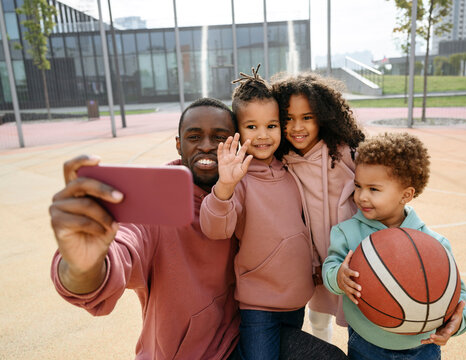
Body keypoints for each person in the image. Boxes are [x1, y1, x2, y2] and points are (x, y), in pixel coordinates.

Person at [49, 97, 347, 360]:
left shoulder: (250, 183)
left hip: (244, 333)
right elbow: (121, 249)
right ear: (178, 143)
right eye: (194, 136)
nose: (206, 145)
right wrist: (82, 265)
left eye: (219, 137)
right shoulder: (156, 202)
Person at [322, 132, 466, 360]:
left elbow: (457, 293)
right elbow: (330, 268)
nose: (361, 196)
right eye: (358, 186)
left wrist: (457, 323)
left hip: (423, 347)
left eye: (374, 189)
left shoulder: (433, 245)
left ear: (406, 194)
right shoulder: (347, 232)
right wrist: (338, 277)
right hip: (366, 343)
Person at [199, 66, 315, 360]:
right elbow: (215, 229)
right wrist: (225, 185)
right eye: (252, 127)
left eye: (271, 125)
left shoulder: (291, 169)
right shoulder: (239, 178)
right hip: (258, 306)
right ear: (238, 130)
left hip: (296, 300)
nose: (263, 135)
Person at [271, 72, 365, 342]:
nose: (297, 127)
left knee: (361, 320)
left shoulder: (347, 154)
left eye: (307, 118)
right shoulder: (282, 161)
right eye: (288, 119)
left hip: (354, 259)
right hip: (313, 262)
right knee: (317, 317)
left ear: (323, 116)